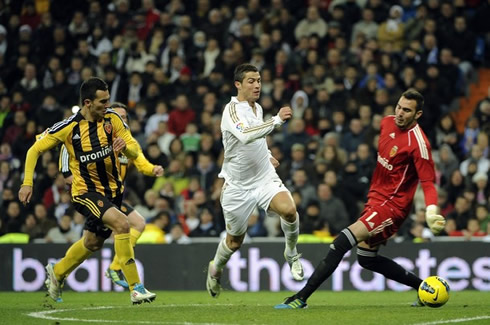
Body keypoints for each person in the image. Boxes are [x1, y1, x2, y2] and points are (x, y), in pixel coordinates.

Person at [275, 89, 446, 309]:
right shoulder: (387, 123)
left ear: (418, 114)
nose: (400, 113)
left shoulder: (419, 144)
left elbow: (428, 182)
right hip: (375, 200)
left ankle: (301, 297)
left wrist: (431, 209)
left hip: (392, 206)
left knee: (340, 243)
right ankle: (425, 289)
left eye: (407, 110)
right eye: (399, 107)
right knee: (367, 258)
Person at [18, 77, 156, 304]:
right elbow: (34, 150)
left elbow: (132, 147)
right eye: (103, 102)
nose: (107, 105)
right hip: (84, 192)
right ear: (88, 102)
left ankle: (58, 272)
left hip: (112, 191)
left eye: (108, 100)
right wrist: (27, 183)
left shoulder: (112, 119)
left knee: (93, 243)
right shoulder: (68, 128)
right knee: (123, 224)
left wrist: (127, 150)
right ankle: (136, 287)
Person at [206, 63, 304, 298]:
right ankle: (216, 267)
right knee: (234, 242)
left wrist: (268, 155)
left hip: (263, 178)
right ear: (238, 84)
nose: (257, 85)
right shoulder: (231, 111)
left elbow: (257, 139)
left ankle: (291, 253)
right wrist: (277, 120)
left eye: (259, 80)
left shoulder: (257, 108)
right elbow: (245, 135)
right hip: (237, 187)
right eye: (251, 81)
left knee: (289, 211)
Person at [58, 102, 164, 289]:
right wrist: (72, 180)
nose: (121, 120)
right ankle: (124, 277)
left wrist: (153, 169)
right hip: (95, 195)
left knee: (94, 242)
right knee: (100, 238)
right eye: (118, 117)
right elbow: (69, 156)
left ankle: (61, 270)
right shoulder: (95, 138)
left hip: (114, 197)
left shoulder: (128, 141)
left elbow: (140, 161)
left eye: (124, 118)